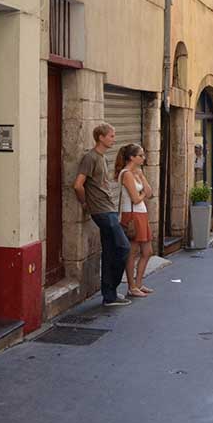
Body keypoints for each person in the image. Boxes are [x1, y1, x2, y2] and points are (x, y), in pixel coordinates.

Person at [73, 123, 131, 307]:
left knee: (109, 252)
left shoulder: (102, 158)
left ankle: (109, 295)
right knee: (123, 247)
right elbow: (78, 184)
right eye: (111, 136)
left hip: (108, 208)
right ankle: (111, 290)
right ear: (101, 137)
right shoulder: (90, 158)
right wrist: (84, 203)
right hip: (102, 211)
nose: (114, 138)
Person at [115, 143, 155, 297]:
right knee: (132, 252)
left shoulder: (136, 173)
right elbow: (136, 199)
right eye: (141, 155)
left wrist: (142, 176)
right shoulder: (126, 174)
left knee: (147, 251)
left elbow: (150, 192)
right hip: (132, 215)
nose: (143, 158)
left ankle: (139, 283)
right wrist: (143, 194)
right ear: (132, 157)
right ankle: (132, 286)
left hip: (142, 214)